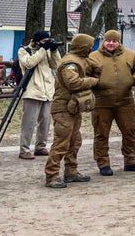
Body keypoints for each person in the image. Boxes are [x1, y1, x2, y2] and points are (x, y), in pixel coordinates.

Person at [86, 30, 135, 176]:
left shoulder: (130, 55)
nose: (111, 43)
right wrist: (95, 82)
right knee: (101, 133)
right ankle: (103, 163)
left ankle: (131, 161)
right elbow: (85, 75)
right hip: (101, 102)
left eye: (114, 41)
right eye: (108, 41)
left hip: (125, 101)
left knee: (130, 131)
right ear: (103, 41)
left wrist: (134, 79)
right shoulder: (93, 57)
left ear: (119, 42)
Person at [44, 33, 99, 188]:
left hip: (74, 108)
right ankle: (52, 175)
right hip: (63, 109)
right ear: (83, 46)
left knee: (75, 141)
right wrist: (94, 81)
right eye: (89, 46)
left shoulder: (81, 60)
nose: (90, 49)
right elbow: (73, 82)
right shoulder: (70, 63)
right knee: (62, 142)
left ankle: (71, 171)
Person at [17, 30, 62, 160]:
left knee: (45, 121)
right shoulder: (24, 50)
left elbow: (57, 65)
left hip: (47, 91)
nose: (46, 44)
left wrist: (53, 51)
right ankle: (24, 149)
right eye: (44, 41)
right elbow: (29, 63)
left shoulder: (46, 51)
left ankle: (41, 146)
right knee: (29, 122)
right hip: (32, 91)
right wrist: (43, 49)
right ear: (37, 41)